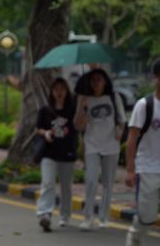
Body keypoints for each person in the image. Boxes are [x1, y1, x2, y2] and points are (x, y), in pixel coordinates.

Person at [74, 68, 126, 230]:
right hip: (92, 145)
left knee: (108, 183)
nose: (96, 82)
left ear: (105, 82)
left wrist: (120, 132)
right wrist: (82, 109)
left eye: (99, 79)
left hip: (111, 145)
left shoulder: (113, 97)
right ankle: (88, 217)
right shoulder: (84, 99)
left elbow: (122, 120)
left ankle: (104, 216)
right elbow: (78, 126)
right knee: (90, 180)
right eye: (93, 79)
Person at [123, 62, 160, 246]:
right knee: (147, 217)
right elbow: (132, 138)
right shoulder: (145, 105)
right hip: (148, 168)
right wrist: (130, 169)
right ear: (156, 78)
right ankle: (135, 237)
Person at [35, 78, 78, 232]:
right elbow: (37, 128)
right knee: (48, 183)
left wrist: (82, 107)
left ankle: (65, 215)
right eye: (56, 89)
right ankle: (44, 214)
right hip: (49, 152)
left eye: (62, 89)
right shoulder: (45, 110)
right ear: (52, 92)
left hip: (67, 152)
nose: (59, 92)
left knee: (66, 187)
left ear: (67, 91)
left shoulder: (73, 109)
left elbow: (80, 125)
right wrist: (45, 132)